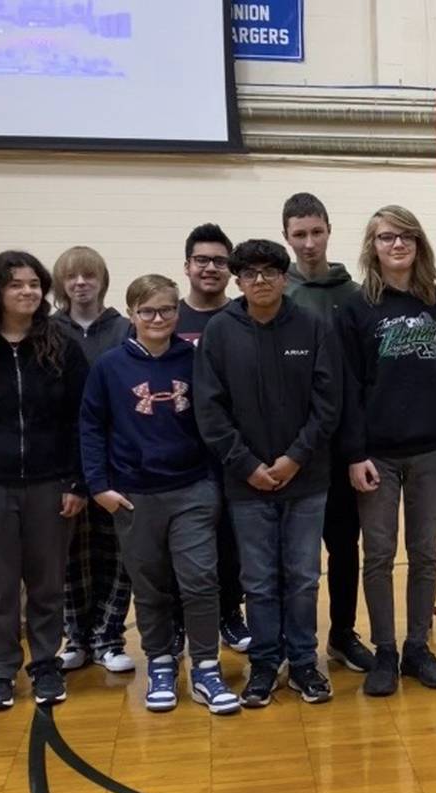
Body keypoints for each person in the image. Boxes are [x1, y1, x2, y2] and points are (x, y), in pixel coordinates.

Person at [338, 205, 436, 697]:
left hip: (429, 451)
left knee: (424, 554)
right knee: (378, 555)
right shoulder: (356, 309)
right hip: (376, 455)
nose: (396, 245)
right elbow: (348, 388)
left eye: (405, 237)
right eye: (385, 237)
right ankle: (384, 650)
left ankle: (417, 646)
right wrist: (354, 453)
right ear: (372, 247)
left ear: (419, 245)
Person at [79, 274, 239, 715]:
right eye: (147, 311)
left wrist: (212, 483)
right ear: (131, 315)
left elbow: (216, 420)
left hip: (192, 490)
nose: (157, 318)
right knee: (150, 587)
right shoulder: (110, 368)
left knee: (200, 580)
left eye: (167, 310)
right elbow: (91, 429)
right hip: (134, 495)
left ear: (177, 313)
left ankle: (206, 667)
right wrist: (100, 487)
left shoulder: (195, 359)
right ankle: (162, 663)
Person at [194, 239, 341, 707]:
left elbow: (327, 403)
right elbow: (209, 411)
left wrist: (294, 458)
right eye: (251, 272)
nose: (261, 280)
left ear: (284, 277)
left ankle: (302, 664)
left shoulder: (313, 326)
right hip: (246, 485)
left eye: (270, 271)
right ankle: (263, 665)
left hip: (308, 478)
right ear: (238, 280)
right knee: (257, 580)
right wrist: (249, 466)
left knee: (302, 577)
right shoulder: (219, 331)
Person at [0, 250, 89, 711]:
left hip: (51, 484)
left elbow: (80, 420)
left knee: (47, 584)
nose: (28, 291)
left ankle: (45, 664)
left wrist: (76, 482)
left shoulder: (62, 347)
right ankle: (0, 671)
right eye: (16, 284)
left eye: (34, 283)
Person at [282, 192, 375, 673]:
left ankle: (342, 634)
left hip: (342, 445)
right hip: (292, 447)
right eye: (300, 234)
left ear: (329, 232)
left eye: (316, 232)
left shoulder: (354, 294)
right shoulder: (277, 294)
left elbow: (362, 373)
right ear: (287, 238)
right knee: (291, 557)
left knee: (344, 546)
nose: (309, 242)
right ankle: (289, 644)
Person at [51, 245, 133, 674]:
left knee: (115, 553)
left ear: (102, 279)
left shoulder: (124, 329)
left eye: (88, 275)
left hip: (117, 460)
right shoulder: (46, 331)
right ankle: (75, 639)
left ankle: (109, 637)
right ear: (61, 284)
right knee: (70, 555)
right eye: (71, 277)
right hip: (65, 462)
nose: (80, 283)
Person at [175, 223, 251, 655]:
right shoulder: (169, 315)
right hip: (182, 452)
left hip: (233, 451)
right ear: (187, 265)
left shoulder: (243, 315)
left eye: (220, 261)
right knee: (185, 546)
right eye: (202, 260)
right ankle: (182, 620)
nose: (210, 268)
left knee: (231, 542)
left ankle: (230, 614)